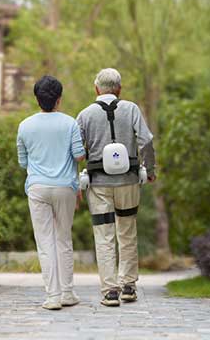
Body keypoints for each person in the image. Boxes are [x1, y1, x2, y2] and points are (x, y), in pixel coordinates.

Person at [76, 68, 156, 307]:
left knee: (104, 235)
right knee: (127, 231)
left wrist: (75, 180)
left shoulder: (85, 114)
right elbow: (147, 140)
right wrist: (150, 170)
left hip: (98, 184)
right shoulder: (131, 109)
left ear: (96, 89)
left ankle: (110, 290)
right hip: (128, 181)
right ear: (119, 89)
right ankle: (129, 286)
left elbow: (78, 152)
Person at [16, 75, 86, 310]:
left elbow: (23, 162)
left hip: (37, 188)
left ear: (37, 99)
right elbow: (79, 156)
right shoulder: (70, 123)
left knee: (45, 242)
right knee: (63, 238)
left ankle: (52, 297)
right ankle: (68, 293)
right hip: (65, 188)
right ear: (59, 99)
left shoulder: (24, 125)